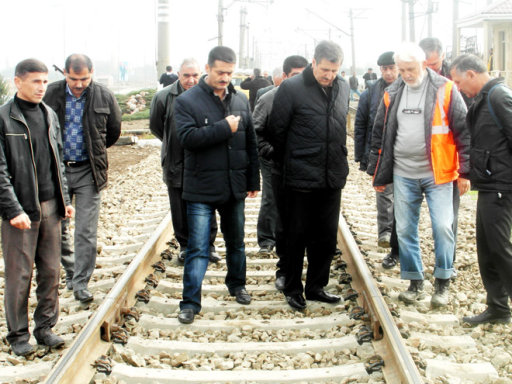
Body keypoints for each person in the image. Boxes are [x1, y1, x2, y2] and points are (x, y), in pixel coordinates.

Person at [368, 43, 470, 308]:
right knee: (404, 229)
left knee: (442, 227)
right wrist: (378, 173)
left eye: (410, 69)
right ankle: (415, 282)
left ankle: (443, 282)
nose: (406, 74)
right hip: (404, 172)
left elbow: (463, 132)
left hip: (438, 173)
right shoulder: (392, 92)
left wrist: (466, 172)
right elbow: (379, 133)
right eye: (402, 69)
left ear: (423, 65)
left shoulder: (446, 89)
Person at [174, 46, 260, 324]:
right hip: (200, 187)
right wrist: (224, 127)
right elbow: (187, 138)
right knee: (198, 248)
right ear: (208, 69)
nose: (225, 77)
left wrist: (253, 179)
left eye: (230, 72)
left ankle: (238, 285)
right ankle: (189, 303)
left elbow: (251, 142)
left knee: (236, 242)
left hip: (234, 185)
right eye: (220, 72)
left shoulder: (240, 99)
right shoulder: (187, 101)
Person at [0, 59, 74, 356]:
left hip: (51, 207)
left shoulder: (49, 114)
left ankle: (45, 327)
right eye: (35, 81)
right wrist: (13, 210)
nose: (42, 87)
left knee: (50, 271)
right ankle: (18, 335)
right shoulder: (5, 118)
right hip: (20, 212)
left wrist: (65, 200)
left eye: (44, 81)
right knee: (19, 275)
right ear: (18, 82)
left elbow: (58, 160)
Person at [268, 41, 350, 310]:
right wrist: (288, 167)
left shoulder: (343, 88)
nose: (329, 75)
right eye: (325, 69)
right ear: (314, 62)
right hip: (298, 177)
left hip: (331, 176)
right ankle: (292, 288)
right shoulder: (291, 89)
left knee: (325, 237)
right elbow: (276, 132)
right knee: (295, 236)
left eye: (334, 70)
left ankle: (316, 286)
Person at [44, 54, 121, 303]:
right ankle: (70, 271)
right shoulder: (51, 94)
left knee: (86, 230)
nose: (79, 84)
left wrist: (94, 151)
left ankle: (80, 282)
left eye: (84, 78)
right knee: (59, 228)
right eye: (74, 78)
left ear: (92, 73)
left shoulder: (103, 95)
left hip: (89, 171)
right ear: (64, 73)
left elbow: (113, 131)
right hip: (57, 171)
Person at [450, 54, 512, 325]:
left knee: (500, 248)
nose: (458, 87)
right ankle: (498, 308)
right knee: (486, 250)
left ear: (472, 74)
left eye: (459, 81)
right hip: (488, 185)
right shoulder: (482, 98)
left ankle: (501, 305)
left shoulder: (498, 97)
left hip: (502, 186)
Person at [150, 59, 220, 264]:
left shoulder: (212, 95)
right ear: (178, 75)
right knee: (179, 205)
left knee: (208, 202)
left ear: (202, 75)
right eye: (186, 75)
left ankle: (209, 246)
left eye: (195, 75)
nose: (191, 80)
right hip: (175, 158)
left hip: (205, 159)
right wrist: (174, 142)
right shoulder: (164, 97)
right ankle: (186, 246)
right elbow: (157, 127)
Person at [253, 55, 308, 290]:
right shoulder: (268, 99)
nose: (299, 81)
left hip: (302, 162)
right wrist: (269, 151)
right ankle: (267, 239)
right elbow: (255, 130)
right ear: (284, 77)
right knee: (272, 199)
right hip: (274, 160)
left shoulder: (312, 97)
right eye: (295, 75)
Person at [419, 37, 469, 279]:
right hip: (420, 163)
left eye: (434, 64)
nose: (430, 69)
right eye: (426, 64)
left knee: (448, 218)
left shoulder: (454, 82)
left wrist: (465, 170)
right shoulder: (413, 78)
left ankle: (449, 262)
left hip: (449, 163)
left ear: (441, 57)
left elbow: (464, 129)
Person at [355, 51, 400, 267]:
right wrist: (362, 157)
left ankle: (398, 241)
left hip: (403, 152)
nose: (389, 72)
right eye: (385, 69)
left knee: (404, 199)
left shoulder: (408, 89)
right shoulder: (370, 93)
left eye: (392, 67)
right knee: (384, 194)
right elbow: (361, 125)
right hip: (381, 153)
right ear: (380, 70)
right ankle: (385, 233)